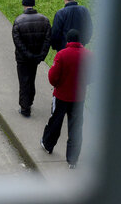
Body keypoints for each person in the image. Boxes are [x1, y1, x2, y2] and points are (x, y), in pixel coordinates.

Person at [40, 29, 91, 169]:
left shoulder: (62, 55)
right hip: (78, 98)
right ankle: (72, 160)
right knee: (75, 127)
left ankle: (48, 144)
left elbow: (52, 76)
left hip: (61, 96)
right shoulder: (88, 56)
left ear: (68, 41)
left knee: (55, 121)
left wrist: (57, 84)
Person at [11, 0, 51, 118]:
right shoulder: (44, 20)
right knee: (31, 79)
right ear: (33, 4)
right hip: (36, 58)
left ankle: (25, 108)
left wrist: (27, 55)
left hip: (23, 59)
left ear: (24, 4)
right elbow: (47, 40)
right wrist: (40, 56)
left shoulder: (18, 21)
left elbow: (18, 42)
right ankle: (30, 101)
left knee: (24, 81)